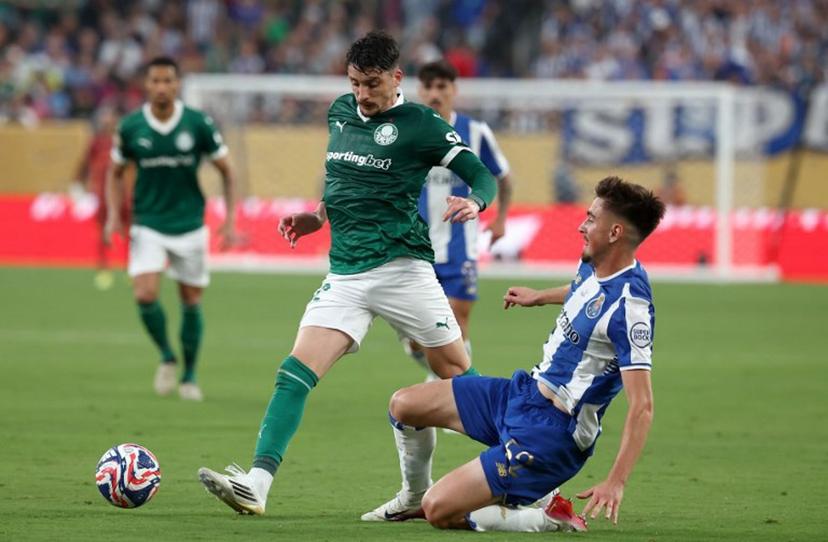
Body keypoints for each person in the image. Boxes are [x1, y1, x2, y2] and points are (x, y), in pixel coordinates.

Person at [197, 31, 498, 516]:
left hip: (404, 271)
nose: (362, 94)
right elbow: (344, 180)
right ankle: (257, 483)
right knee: (293, 373)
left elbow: (482, 173)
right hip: (347, 276)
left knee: (458, 377)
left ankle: (528, 462)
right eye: (355, 82)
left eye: (372, 83)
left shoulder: (422, 124)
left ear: (397, 78)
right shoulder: (339, 112)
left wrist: (476, 200)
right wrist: (318, 215)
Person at [383, 176, 665, 532]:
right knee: (404, 404)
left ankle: (546, 517)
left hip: (553, 437)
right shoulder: (595, 262)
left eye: (592, 219)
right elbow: (582, 290)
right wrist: (539, 296)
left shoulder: (631, 310)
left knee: (438, 510)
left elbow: (643, 406)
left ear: (615, 233)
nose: (582, 225)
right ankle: (412, 493)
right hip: (525, 394)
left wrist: (616, 482)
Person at [104, 56, 238, 402]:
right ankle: (167, 355)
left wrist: (231, 219)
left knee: (190, 300)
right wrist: (113, 217)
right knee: (144, 294)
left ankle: (190, 376)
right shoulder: (131, 126)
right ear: (146, 85)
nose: (162, 87)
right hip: (148, 221)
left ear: (178, 85)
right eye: (155, 81)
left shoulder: (198, 124)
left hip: (190, 224)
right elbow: (114, 172)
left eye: (168, 81)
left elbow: (227, 171)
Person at [400, 60, 513, 381]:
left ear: (454, 91)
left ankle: (456, 393)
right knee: (417, 339)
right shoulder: (405, 133)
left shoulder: (475, 133)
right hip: (413, 247)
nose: (435, 93)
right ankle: (441, 374)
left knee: (456, 322)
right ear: (419, 91)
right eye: (429, 87)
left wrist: (501, 218)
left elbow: (502, 176)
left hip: (460, 247)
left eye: (442, 87)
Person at [71, 105, 128, 290]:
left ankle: (132, 268)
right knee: (103, 230)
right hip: (102, 194)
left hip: (124, 195)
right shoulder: (97, 142)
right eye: (105, 117)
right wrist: (78, 185)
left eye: (110, 117)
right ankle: (103, 268)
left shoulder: (124, 142)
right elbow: (84, 165)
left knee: (131, 231)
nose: (107, 121)